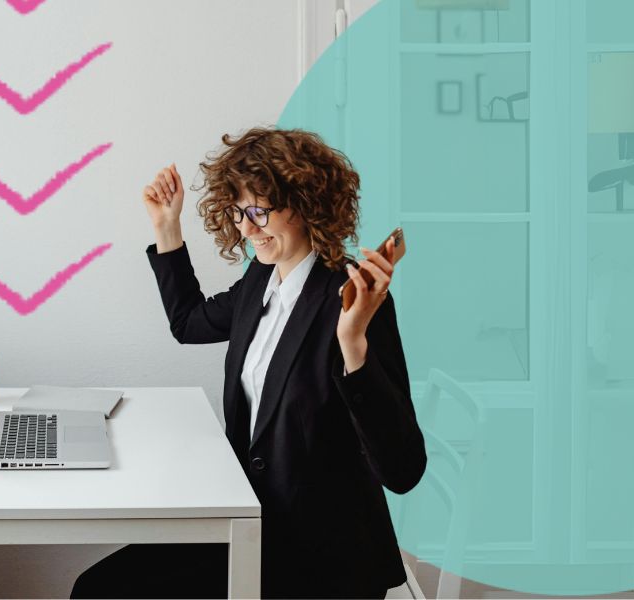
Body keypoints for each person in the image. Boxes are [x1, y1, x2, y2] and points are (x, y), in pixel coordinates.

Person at [71, 127, 426, 599]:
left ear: (306, 203)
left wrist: (353, 342)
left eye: (259, 211)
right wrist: (167, 226)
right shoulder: (261, 280)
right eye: (239, 212)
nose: (246, 227)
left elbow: (402, 470)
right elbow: (188, 322)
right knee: (97, 587)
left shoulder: (352, 303)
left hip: (319, 555)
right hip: (253, 520)